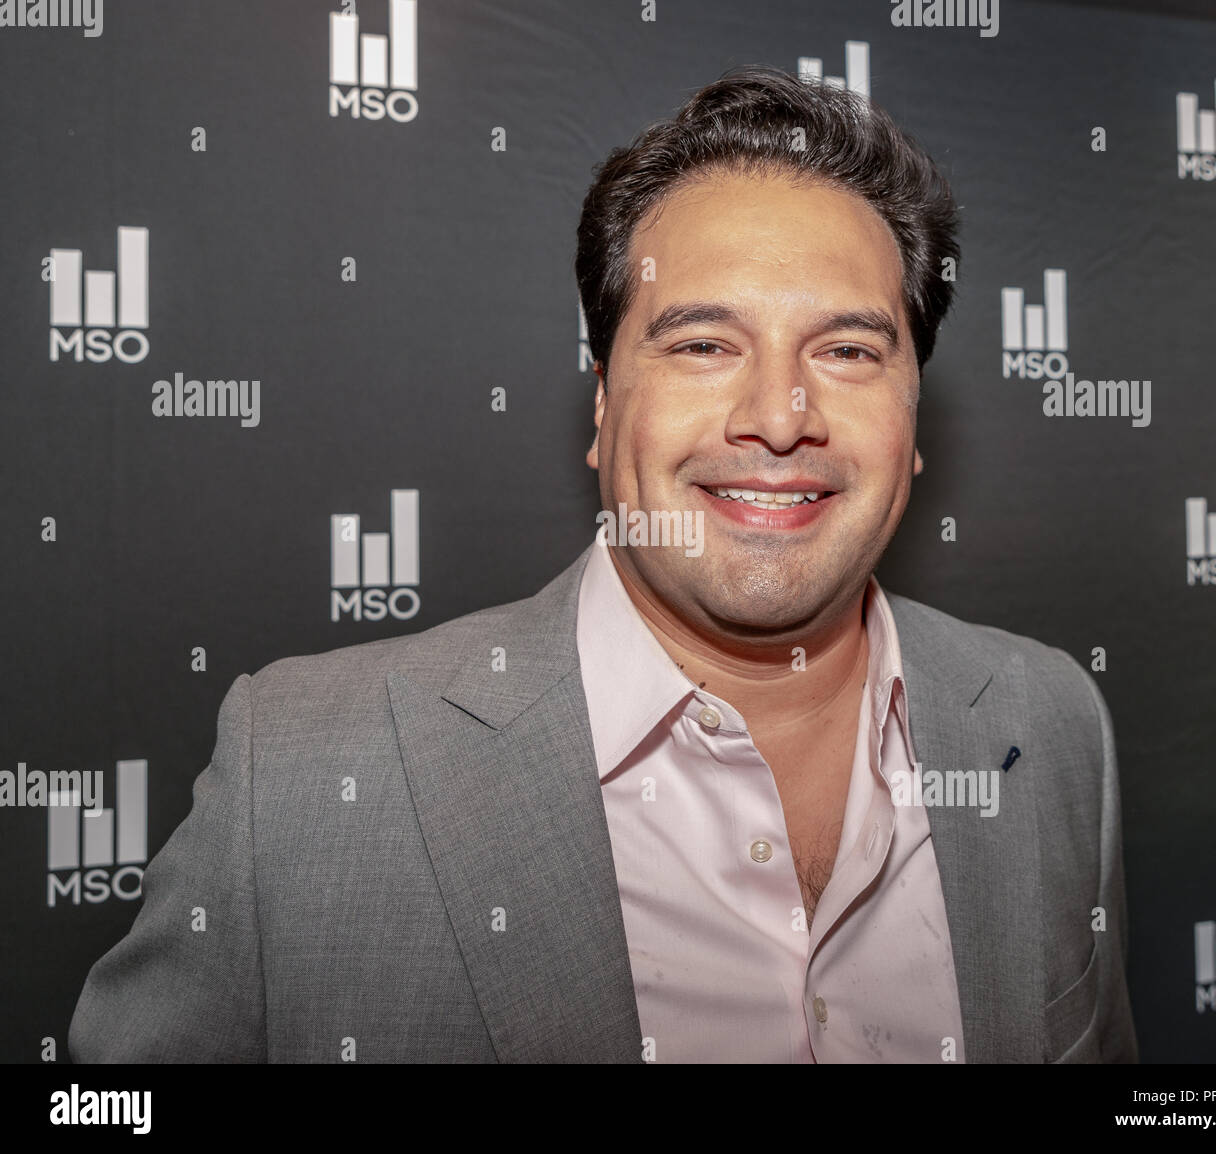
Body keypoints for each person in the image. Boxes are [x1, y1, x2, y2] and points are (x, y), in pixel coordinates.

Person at [69, 65, 1137, 1063]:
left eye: (847, 351)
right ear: (600, 407)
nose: (777, 416)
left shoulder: (1047, 725)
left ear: (911, 421)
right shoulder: (301, 776)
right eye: (701, 344)